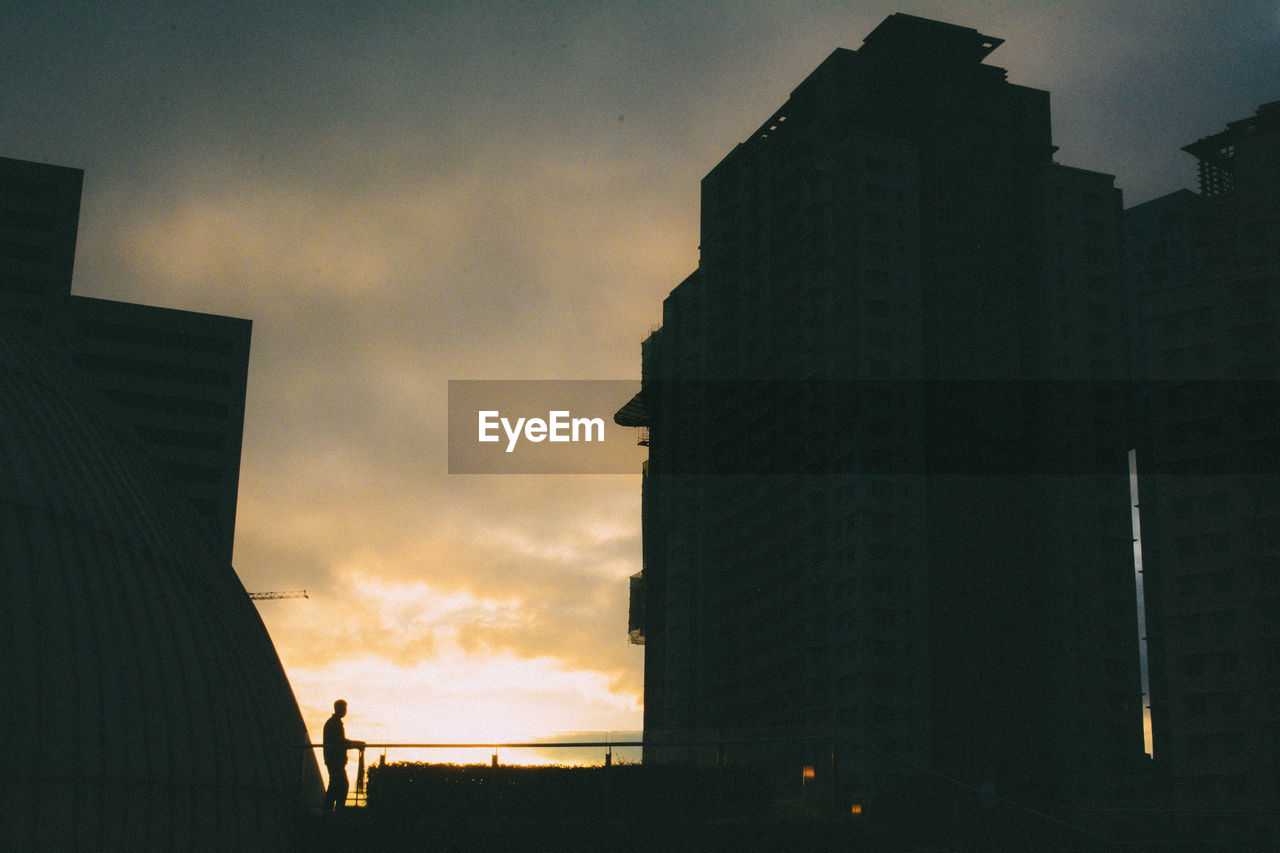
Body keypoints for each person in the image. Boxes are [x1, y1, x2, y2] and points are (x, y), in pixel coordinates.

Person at [322, 699, 365, 814]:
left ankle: (330, 811)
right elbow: (341, 742)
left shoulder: (333, 723)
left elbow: (341, 742)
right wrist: (357, 744)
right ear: (338, 709)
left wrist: (356, 744)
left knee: (336, 786)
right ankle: (334, 811)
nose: (345, 711)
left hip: (334, 760)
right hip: (335, 761)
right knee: (341, 785)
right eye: (344, 708)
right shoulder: (333, 724)